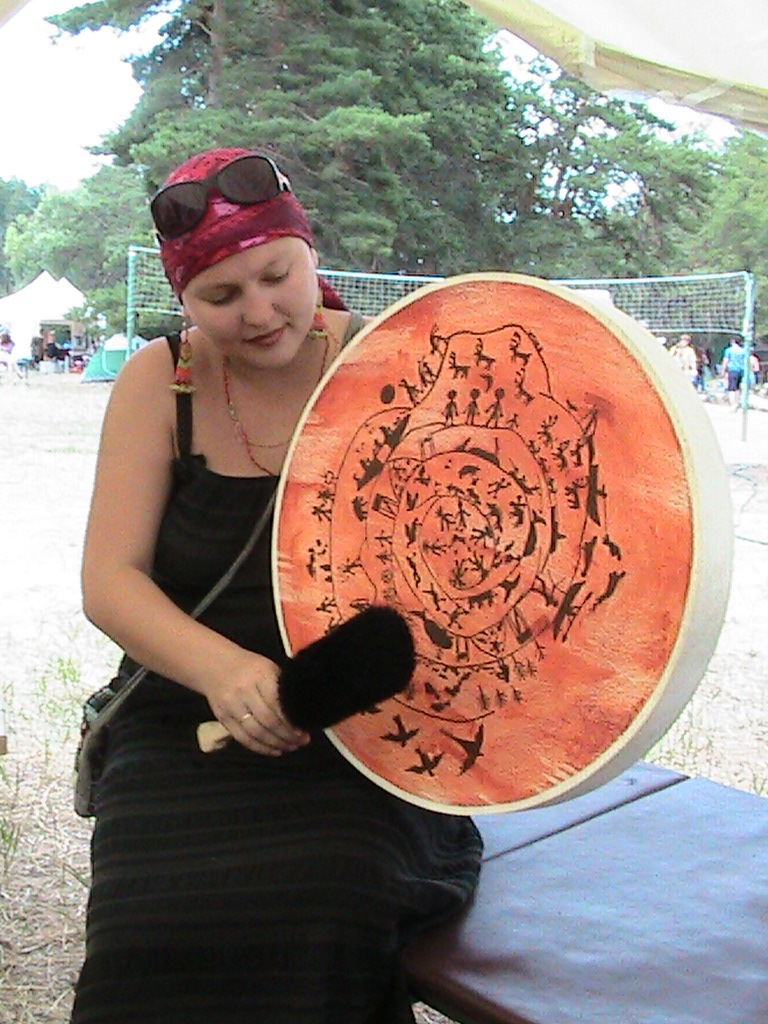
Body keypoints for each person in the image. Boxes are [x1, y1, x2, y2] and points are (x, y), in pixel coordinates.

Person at [71, 147, 482, 1024]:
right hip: (185, 714)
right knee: (147, 926)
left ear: (310, 254)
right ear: (183, 299)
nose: (259, 313)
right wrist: (223, 671)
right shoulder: (160, 382)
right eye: (221, 295)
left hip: (364, 722)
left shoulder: (397, 362)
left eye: (276, 277)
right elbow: (109, 581)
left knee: (327, 900)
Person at [720, 335, 746, 409]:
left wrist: (723, 370)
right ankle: (737, 403)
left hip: (732, 370)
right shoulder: (743, 351)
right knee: (737, 388)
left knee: (731, 388)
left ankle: (732, 404)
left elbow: (726, 360)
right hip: (740, 371)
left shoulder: (729, 350)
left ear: (733, 341)